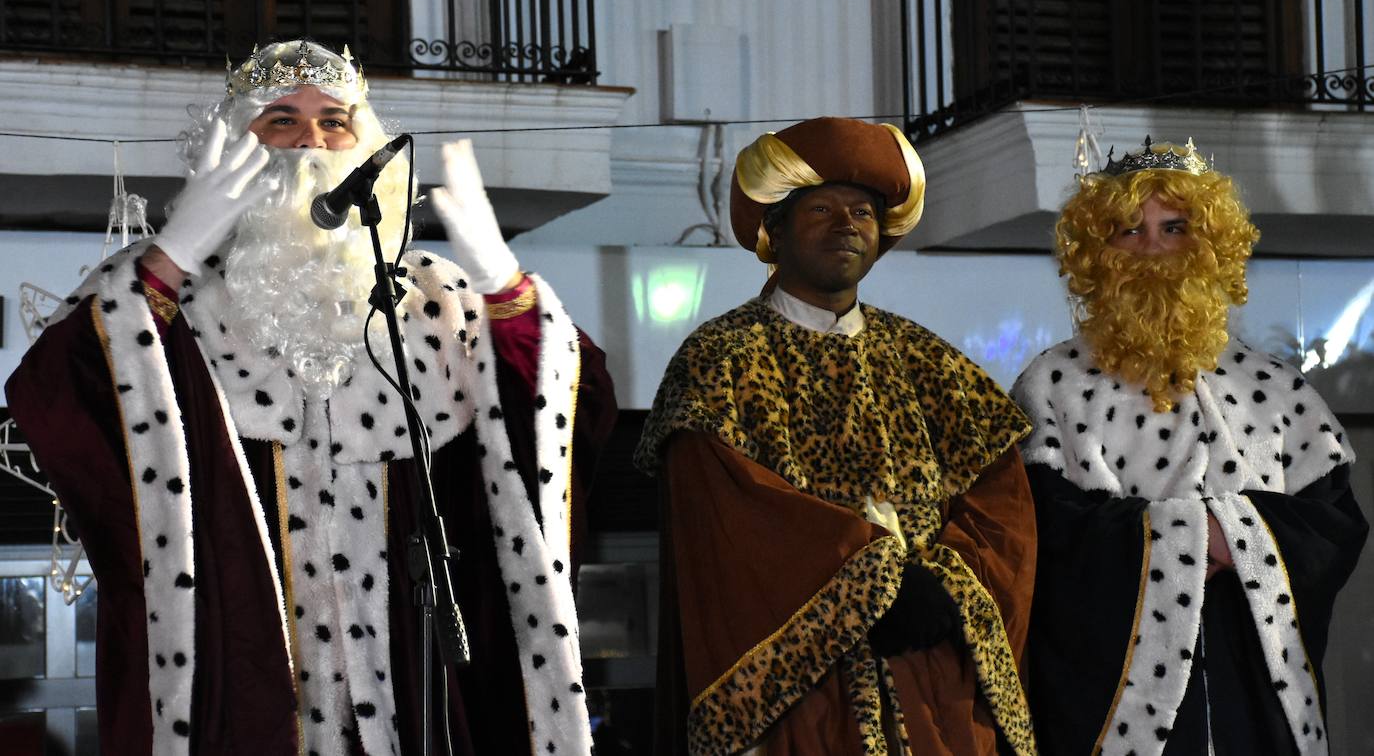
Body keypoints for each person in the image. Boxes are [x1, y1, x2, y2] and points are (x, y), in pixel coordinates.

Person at [5, 40, 616, 756]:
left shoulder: (428, 301)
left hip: (413, 695)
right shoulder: (167, 305)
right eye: (281, 122)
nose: (313, 143)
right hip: (246, 697)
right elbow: (56, 391)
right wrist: (174, 252)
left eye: (334, 121)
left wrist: (505, 287)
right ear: (234, 149)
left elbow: (563, 415)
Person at [636, 117, 1038, 755]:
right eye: (821, 208)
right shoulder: (720, 360)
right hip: (800, 695)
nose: (846, 224)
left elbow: (1002, 503)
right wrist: (875, 584)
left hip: (933, 683)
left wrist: (945, 588)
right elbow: (726, 512)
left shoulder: (927, 360)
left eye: (863, 212)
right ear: (778, 229)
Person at [1012, 138, 1367, 755]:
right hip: (1110, 702)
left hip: (1253, 695)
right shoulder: (1052, 385)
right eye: (1129, 230)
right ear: (1098, 254)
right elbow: (1036, 530)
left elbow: (1332, 526)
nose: (1153, 248)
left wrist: (1237, 536)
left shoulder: (1278, 390)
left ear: (1208, 245)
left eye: (1173, 227)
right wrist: (1190, 537)